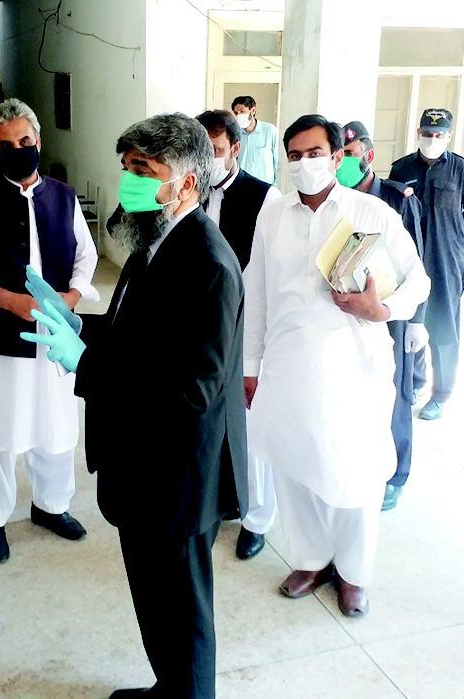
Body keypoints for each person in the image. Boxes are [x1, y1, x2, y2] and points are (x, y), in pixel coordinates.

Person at [22, 112, 248, 699]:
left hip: (177, 474)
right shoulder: (156, 241)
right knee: (154, 599)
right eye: (126, 167)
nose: (128, 181)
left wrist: (87, 364)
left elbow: (195, 388)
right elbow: (137, 334)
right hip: (142, 464)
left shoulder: (208, 263)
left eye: (143, 170)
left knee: (183, 614)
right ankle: (167, 688)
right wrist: (80, 324)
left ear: (187, 182)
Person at [244, 114, 430, 618]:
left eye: (315, 153)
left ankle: (353, 573)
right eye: (295, 156)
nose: (305, 164)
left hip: (353, 372)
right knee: (294, 467)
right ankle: (311, 560)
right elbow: (256, 294)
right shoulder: (272, 217)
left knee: (353, 474)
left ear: (336, 156)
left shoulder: (370, 212)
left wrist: (382, 310)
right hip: (287, 367)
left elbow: (418, 281)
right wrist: (250, 365)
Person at [0, 98, 98, 563]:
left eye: (25, 141)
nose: (18, 150)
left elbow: (86, 257)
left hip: (56, 336)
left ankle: (51, 505)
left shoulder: (64, 196)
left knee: (56, 425)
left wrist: (70, 298)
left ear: (38, 140)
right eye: (6, 145)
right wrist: (9, 300)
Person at [196, 109, 280, 560]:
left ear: (235, 148)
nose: (207, 157)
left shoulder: (265, 198)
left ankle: (257, 518)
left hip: (244, 326)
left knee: (251, 427)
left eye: (215, 149)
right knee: (209, 424)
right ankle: (218, 505)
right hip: (199, 328)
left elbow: (269, 274)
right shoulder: (189, 189)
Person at [338, 120, 428, 511]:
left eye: (350, 155)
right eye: (340, 155)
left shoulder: (397, 199)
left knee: (397, 392)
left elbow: (417, 264)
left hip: (393, 313)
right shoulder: (337, 199)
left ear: (369, 156)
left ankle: (396, 475)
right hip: (350, 311)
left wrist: (418, 321)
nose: (343, 162)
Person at [390, 108, 464, 420]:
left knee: (444, 327)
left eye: (438, 135)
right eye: (427, 134)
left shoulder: (460, 169)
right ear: (417, 133)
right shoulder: (402, 168)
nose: (432, 139)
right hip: (408, 258)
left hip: (446, 260)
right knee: (409, 322)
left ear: (448, 136)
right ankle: (415, 382)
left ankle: (441, 393)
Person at [231, 95, 279, 185]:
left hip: (264, 185)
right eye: (236, 113)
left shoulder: (270, 131)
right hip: (242, 185)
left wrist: (275, 186)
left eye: (242, 111)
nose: (238, 115)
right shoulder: (235, 133)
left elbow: (277, 161)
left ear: (252, 111)